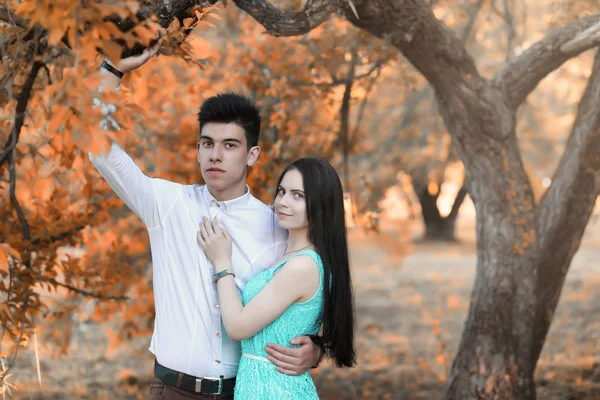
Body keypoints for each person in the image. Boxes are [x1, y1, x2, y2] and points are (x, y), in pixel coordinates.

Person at [90, 45, 322, 399]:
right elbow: (99, 148)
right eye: (207, 143)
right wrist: (112, 71)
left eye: (230, 145)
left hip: (243, 391)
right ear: (197, 148)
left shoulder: (277, 225)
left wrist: (318, 347)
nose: (215, 154)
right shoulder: (166, 205)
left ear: (252, 155)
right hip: (171, 389)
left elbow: (314, 291)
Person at [198, 158, 356, 399]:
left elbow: (238, 327)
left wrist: (222, 263)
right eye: (282, 191)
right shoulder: (289, 254)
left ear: (322, 204)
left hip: (276, 391)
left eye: (298, 195)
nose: (283, 201)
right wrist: (317, 349)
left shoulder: (302, 266)